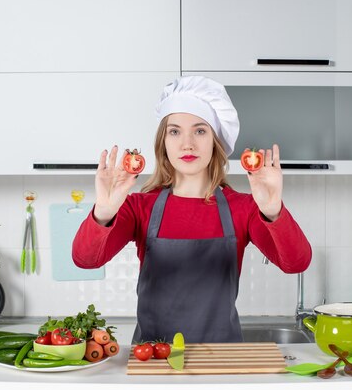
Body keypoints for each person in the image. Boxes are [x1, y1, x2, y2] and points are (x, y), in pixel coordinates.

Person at [72, 76, 311, 343]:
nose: (187, 143)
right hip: (154, 359)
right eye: (175, 131)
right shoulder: (139, 207)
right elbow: (85, 260)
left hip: (222, 362)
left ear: (215, 141)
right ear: (164, 141)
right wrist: (103, 211)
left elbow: (297, 263)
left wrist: (274, 210)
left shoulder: (243, 208)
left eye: (200, 130)